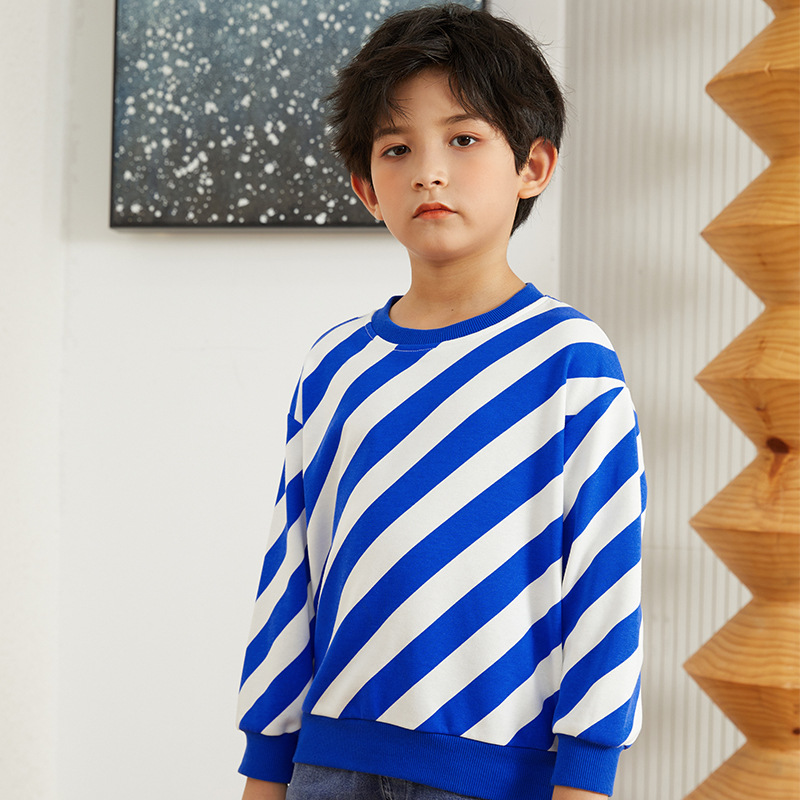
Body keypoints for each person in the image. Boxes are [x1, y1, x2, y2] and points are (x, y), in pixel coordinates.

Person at [237, 4, 645, 800]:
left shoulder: (571, 362)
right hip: (327, 764)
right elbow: (291, 573)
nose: (429, 170)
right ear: (366, 188)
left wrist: (587, 777)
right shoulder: (335, 366)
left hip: (495, 776)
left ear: (533, 165)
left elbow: (605, 582)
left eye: (463, 139)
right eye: (398, 148)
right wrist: (265, 766)